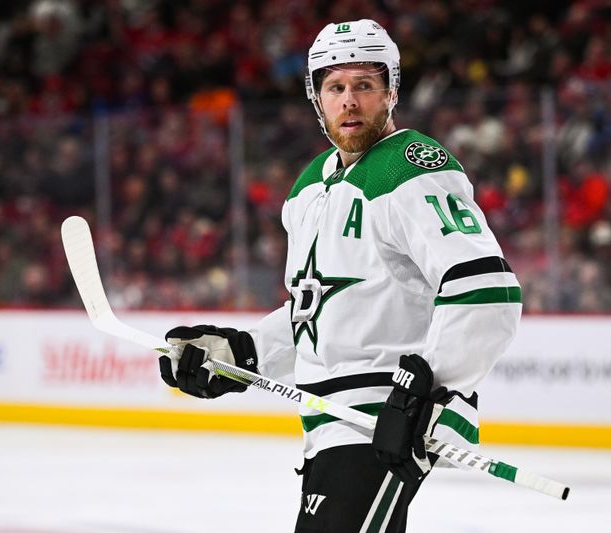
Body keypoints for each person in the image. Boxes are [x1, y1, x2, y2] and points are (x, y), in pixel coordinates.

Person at [159, 19, 522, 533]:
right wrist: (237, 353)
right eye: (335, 87)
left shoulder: (411, 169)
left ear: (391, 91)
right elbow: (316, 311)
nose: (349, 100)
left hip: (379, 421)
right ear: (317, 98)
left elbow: (488, 290)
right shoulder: (309, 187)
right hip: (327, 424)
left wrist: (427, 393)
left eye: (364, 85)